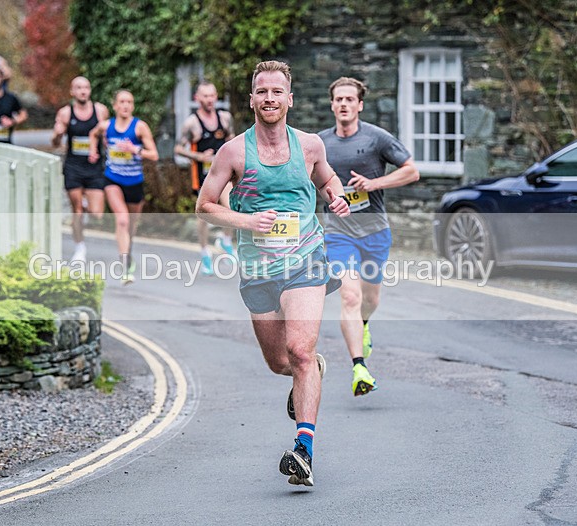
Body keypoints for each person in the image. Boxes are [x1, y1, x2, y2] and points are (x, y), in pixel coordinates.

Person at [196, 61, 351, 487]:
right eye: (262, 91)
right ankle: (311, 369)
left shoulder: (310, 145)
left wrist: (337, 197)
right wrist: (247, 221)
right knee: (279, 362)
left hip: (306, 260)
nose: (269, 98)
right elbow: (204, 205)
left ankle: (304, 450)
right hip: (258, 269)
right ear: (252, 100)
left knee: (299, 350)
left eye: (277, 91)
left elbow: (329, 181)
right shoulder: (233, 152)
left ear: (289, 99)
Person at [318, 77, 419, 397]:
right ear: (332, 104)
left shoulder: (377, 138)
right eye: (339, 99)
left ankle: (363, 325)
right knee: (350, 296)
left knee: (370, 299)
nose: (344, 104)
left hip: (375, 231)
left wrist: (374, 184)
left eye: (350, 99)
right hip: (338, 233)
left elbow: (412, 170)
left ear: (359, 105)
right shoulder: (319, 143)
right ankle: (359, 367)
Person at [88, 89, 158, 284]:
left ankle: (128, 250)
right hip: (113, 179)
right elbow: (92, 134)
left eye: (129, 102)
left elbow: (154, 155)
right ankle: (125, 266)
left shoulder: (139, 127)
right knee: (122, 221)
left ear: (132, 106)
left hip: (134, 182)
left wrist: (134, 149)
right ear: (115, 105)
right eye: (122, 102)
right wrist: (93, 151)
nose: (125, 105)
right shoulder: (106, 126)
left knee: (131, 227)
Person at [174, 81, 236, 275]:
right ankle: (205, 253)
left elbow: (232, 141)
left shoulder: (225, 118)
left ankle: (226, 240)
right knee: (204, 217)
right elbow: (178, 149)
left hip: (224, 174)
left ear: (216, 96)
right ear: (197, 98)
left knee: (231, 206)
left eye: (212, 95)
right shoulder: (191, 123)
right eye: (205, 96)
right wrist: (199, 156)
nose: (209, 100)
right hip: (203, 176)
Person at [51, 76, 110, 263]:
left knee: (96, 212)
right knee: (76, 210)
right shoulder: (65, 113)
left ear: (90, 90)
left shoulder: (100, 111)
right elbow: (55, 143)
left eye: (86, 87)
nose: (83, 91)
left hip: (94, 167)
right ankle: (79, 248)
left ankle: (86, 203)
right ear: (72, 91)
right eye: (78, 87)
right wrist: (58, 134)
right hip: (73, 167)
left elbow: (107, 136)